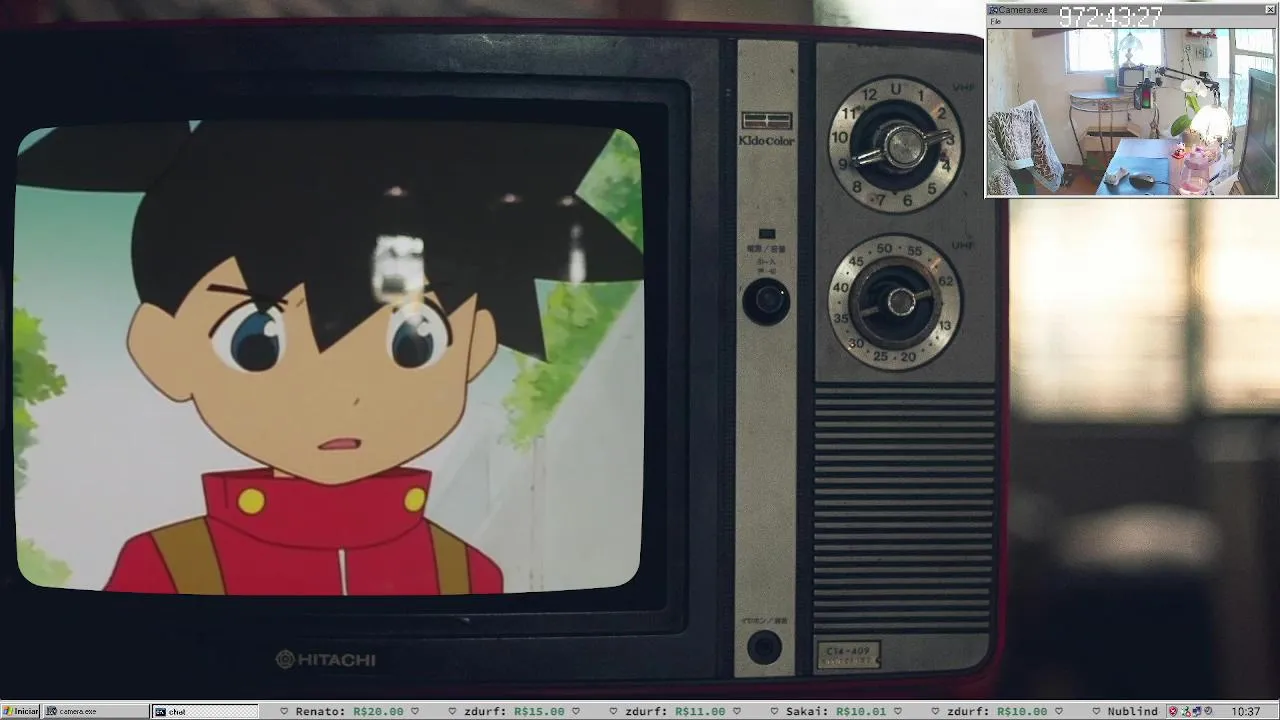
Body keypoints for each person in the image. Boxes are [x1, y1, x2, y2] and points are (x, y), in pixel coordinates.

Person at [15, 119, 643, 595]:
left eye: (412, 341)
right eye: (257, 345)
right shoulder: (164, 569)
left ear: (476, 342)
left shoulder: (469, 574)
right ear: (163, 351)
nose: (346, 394)